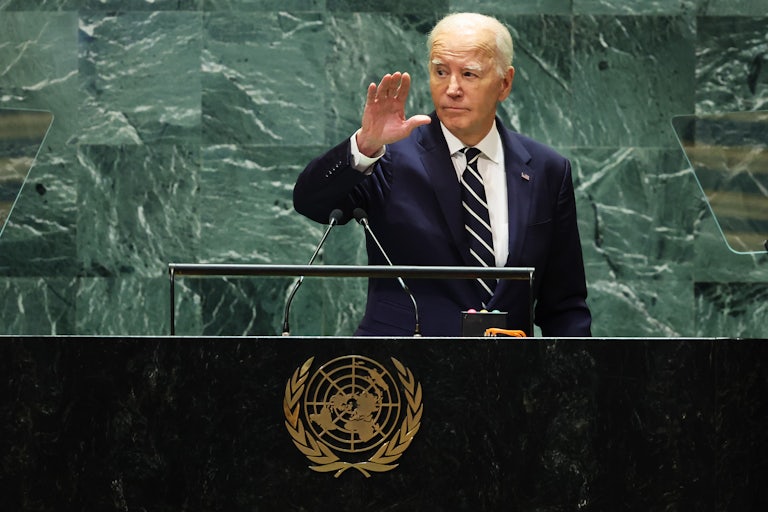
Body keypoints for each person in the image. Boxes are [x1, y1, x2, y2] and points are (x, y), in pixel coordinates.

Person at [293, 12, 592, 337]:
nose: (452, 89)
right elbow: (311, 202)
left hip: (508, 376)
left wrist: (571, 382)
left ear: (504, 83)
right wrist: (364, 145)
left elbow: (564, 306)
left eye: (468, 74)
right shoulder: (387, 156)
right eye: (440, 72)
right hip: (400, 374)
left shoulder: (547, 170)